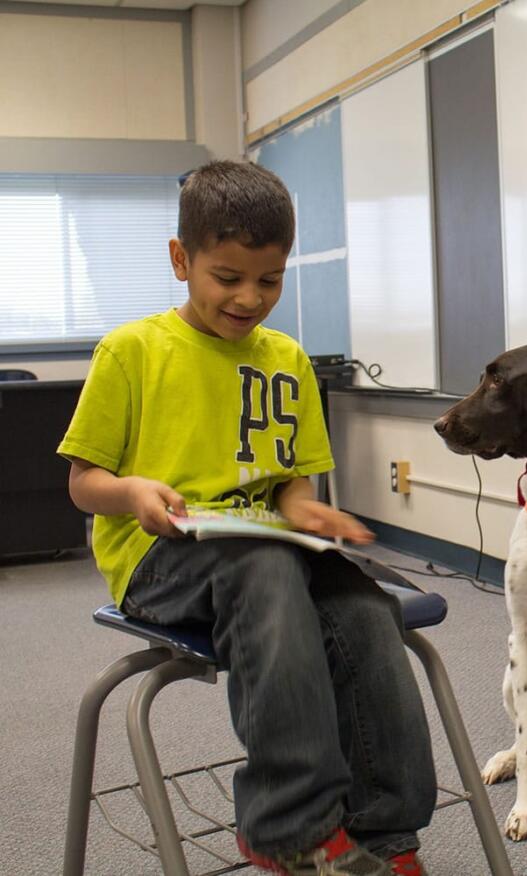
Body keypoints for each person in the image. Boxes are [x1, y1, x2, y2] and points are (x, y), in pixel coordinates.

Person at [59, 161, 436, 876]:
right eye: (227, 277)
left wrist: (306, 510)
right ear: (181, 260)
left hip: (264, 557)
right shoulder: (132, 351)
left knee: (364, 610)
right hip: (160, 559)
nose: (249, 298)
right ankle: (286, 826)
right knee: (262, 566)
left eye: (269, 280)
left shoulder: (287, 359)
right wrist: (135, 490)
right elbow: (84, 482)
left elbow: (287, 483)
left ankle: (385, 836)